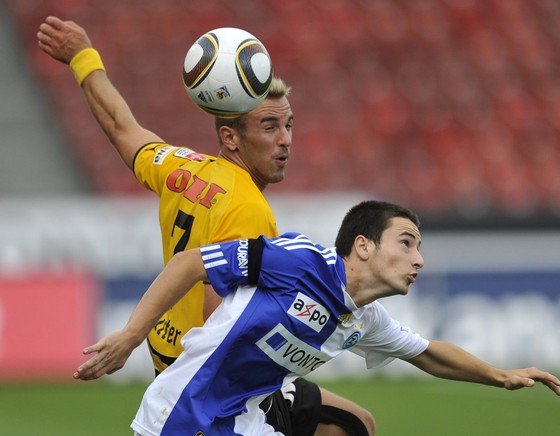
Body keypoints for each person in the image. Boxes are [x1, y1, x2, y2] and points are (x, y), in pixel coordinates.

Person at [38, 15, 374, 436]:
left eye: (289, 125)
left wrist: (83, 58)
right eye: (269, 127)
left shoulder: (180, 166)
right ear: (231, 138)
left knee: (353, 424)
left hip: (168, 355)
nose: (286, 139)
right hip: (212, 385)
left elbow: (120, 126)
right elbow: (226, 323)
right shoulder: (248, 209)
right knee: (351, 427)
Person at [73, 199, 560, 435]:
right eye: (407, 243)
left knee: (356, 427)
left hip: (249, 416)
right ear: (364, 246)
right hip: (182, 415)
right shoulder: (299, 261)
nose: (419, 260)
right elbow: (190, 263)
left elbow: (429, 354)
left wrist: (502, 376)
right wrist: (130, 337)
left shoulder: (364, 320)